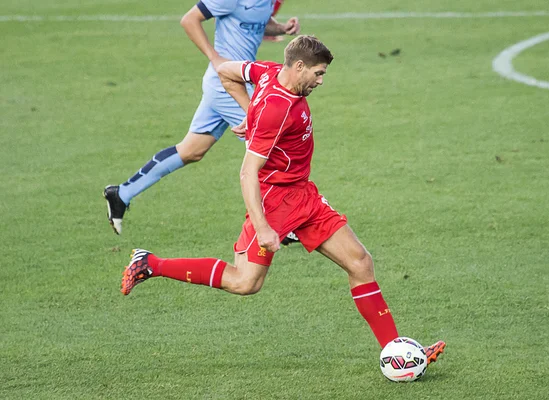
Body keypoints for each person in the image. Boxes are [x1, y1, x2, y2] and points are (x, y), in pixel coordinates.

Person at [120, 36, 446, 363]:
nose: (320, 81)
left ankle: (396, 353)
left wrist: (249, 113)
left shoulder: (267, 71)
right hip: (276, 201)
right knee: (245, 282)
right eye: (318, 74)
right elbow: (248, 173)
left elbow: (225, 71)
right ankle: (151, 264)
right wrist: (262, 227)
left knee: (360, 262)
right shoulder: (276, 110)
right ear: (299, 66)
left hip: (303, 194)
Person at [104, 0, 300, 235]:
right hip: (225, 84)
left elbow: (255, 21)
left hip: (233, 80)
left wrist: (280, 28)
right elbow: (189, 19)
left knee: (191, 150)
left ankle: (121, 194)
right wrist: (215, 58)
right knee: (268, 147)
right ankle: (284, 222)